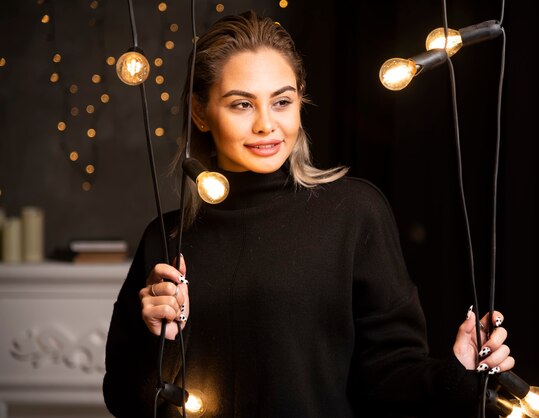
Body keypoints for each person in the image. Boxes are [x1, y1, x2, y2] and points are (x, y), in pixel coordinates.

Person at [103, 10, 514, 418]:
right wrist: (154, 340)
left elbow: (388, 379)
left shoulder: (353, 213)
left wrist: (456, 374)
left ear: (300, 99)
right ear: (200, 111)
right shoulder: (167, 236)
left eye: (281, 101)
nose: (267, 124)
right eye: (242, 104)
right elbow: (123, 398)